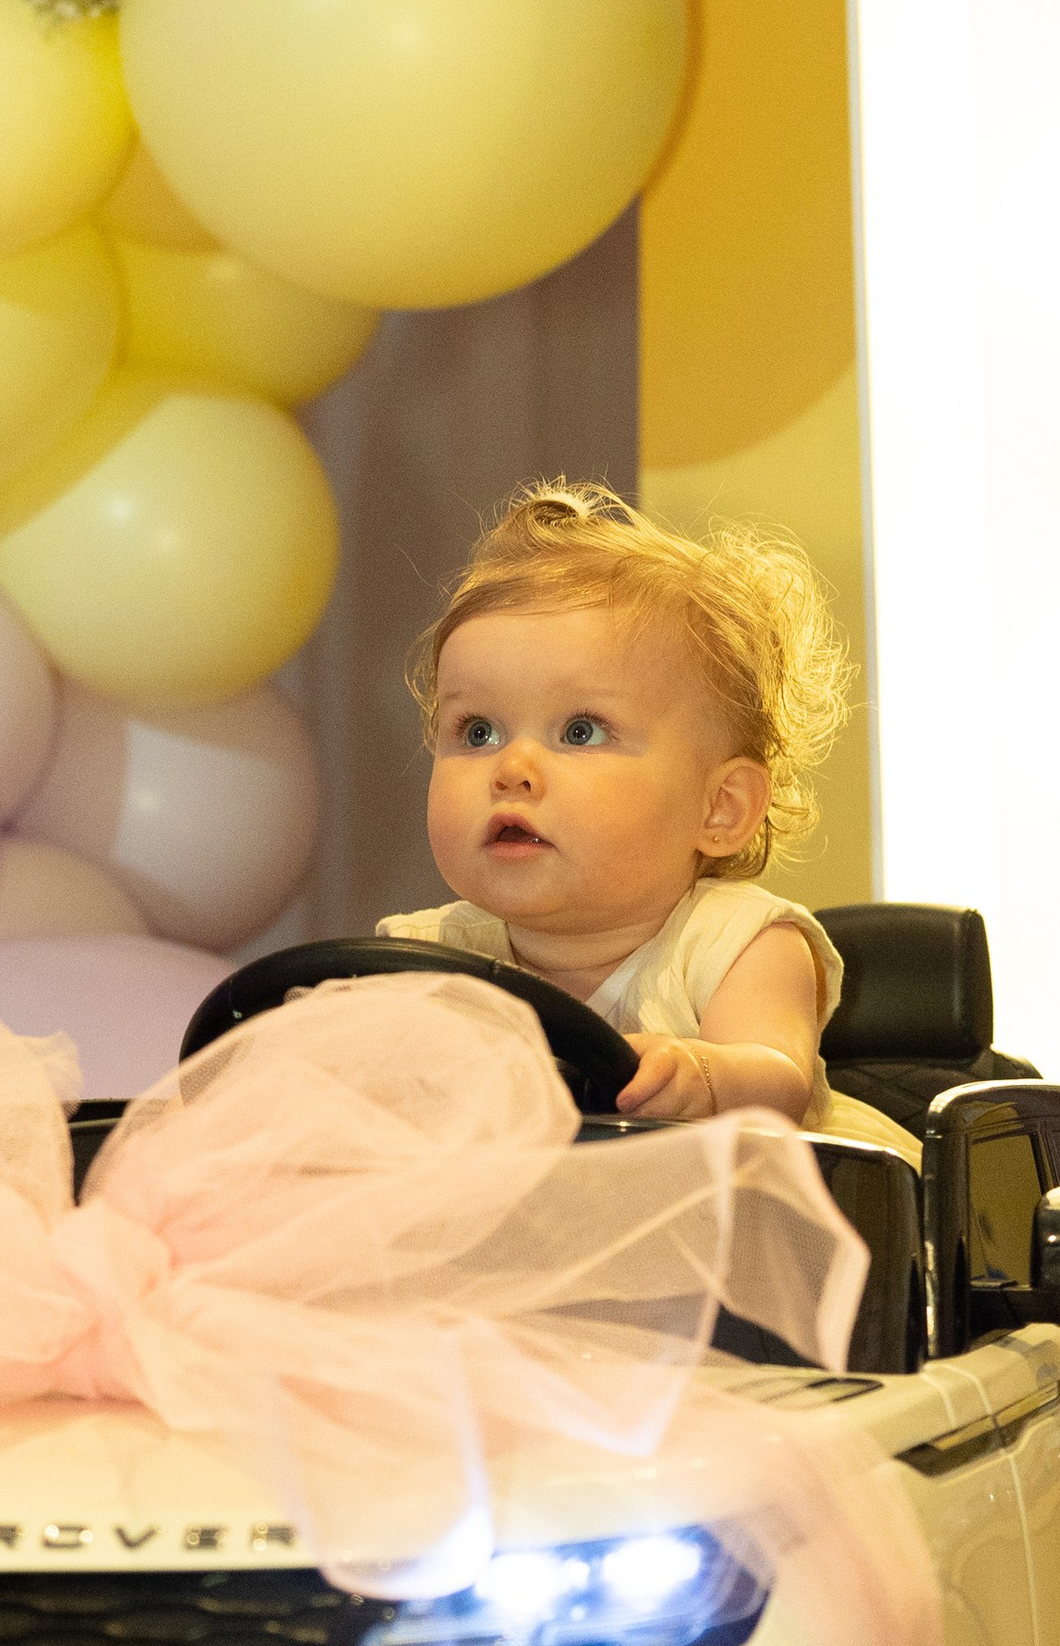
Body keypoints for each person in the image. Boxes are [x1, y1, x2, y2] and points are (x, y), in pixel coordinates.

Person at [379, 481, 910, 1152]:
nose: (510, 768)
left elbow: (779, 1075)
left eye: (579, 731)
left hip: (734, 1229)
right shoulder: (425, 957)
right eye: (477, 731)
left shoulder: (738, 943)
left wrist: (708, 1076)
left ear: (720, 807)